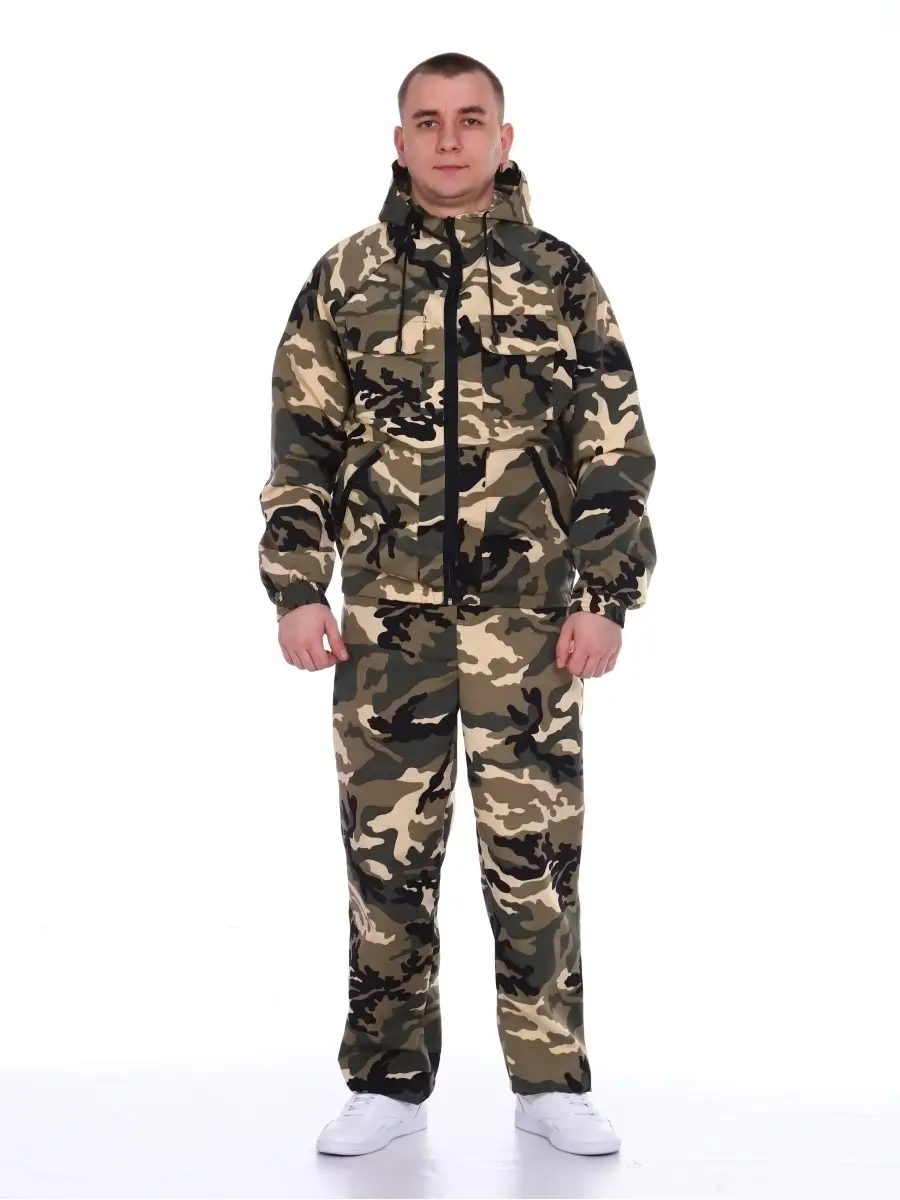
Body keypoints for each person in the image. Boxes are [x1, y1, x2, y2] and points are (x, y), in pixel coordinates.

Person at [258, 51, 656, 1158]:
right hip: (385, 631)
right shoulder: (345, 278)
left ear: (503, 139)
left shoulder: (559, 278)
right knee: (386, 864)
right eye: (427, 121)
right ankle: (387, 1085)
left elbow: (613, 446)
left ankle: (551, 1081)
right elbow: (303, 442)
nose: (448, 138)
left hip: (531, 631)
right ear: (399, 142)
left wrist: (607, 594)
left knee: (537, 865)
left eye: (470, 119)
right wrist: (297, 584)